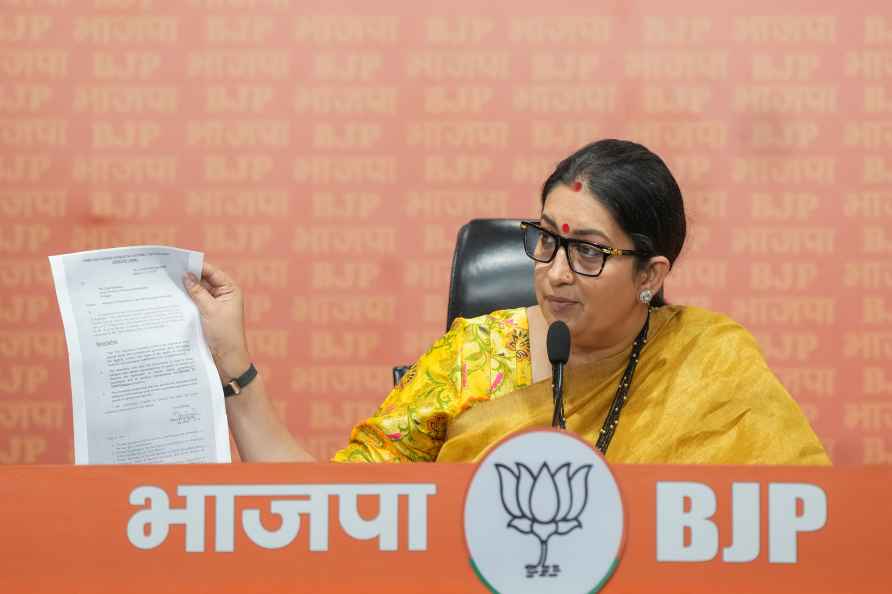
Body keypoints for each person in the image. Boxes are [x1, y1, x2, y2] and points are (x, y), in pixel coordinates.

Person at [184, 139, 830, 465]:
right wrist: (236, 366)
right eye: (545, 239)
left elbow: (791, 520)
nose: (554, 274)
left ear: (650, 275)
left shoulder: (710, 362)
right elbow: (343, 511)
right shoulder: (473, 357)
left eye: (589, 252)